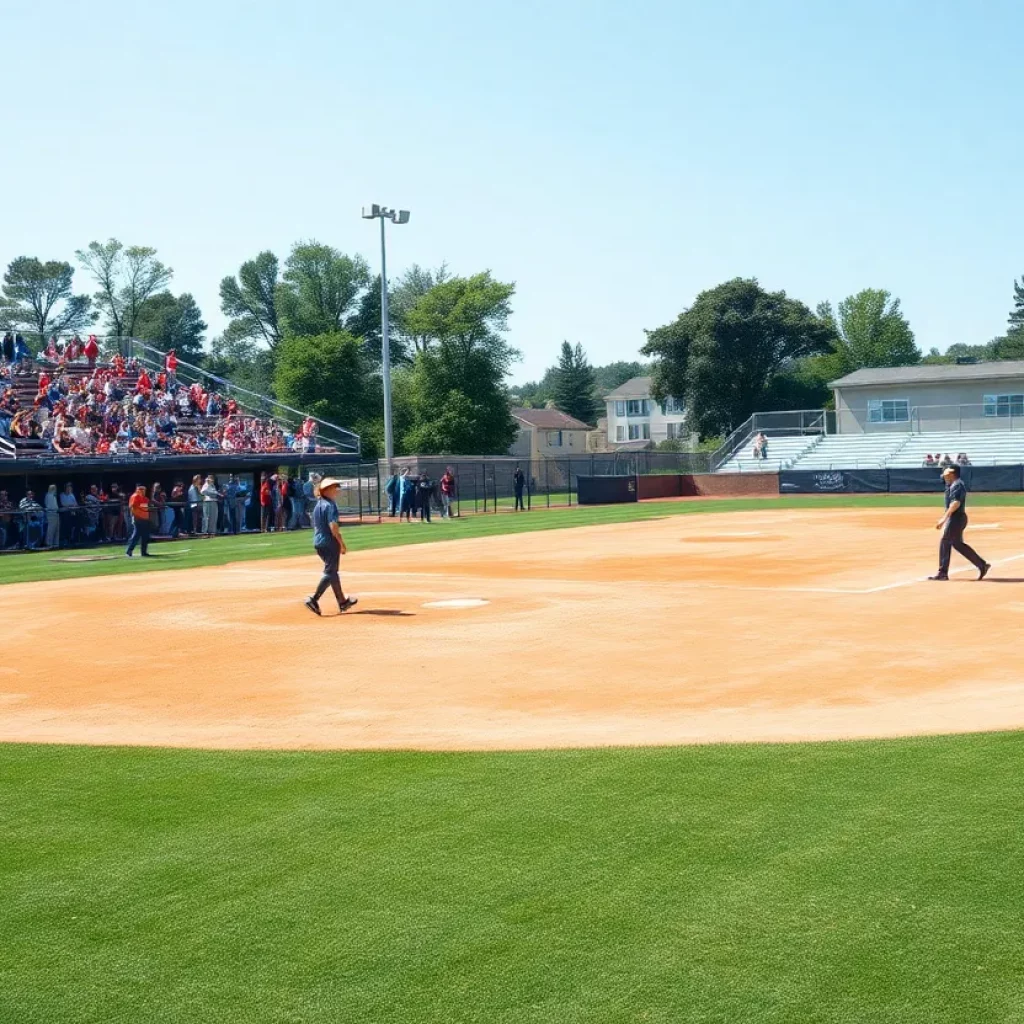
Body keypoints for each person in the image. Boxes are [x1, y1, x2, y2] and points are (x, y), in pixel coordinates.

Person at [304, 477, 358, 617]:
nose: (337, 490)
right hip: (329, 542)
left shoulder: (318, 505)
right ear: (326, 490)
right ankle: (313, 599)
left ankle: (342, 601)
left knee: (332, 572)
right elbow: (333, 527)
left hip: (318, 542)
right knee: (330, 572)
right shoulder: (330, 505)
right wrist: (341, 543)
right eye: (334, 487)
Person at [930, 465, 990, 582]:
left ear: (952, 473)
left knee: (945, 541)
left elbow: (956, 503)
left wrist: (944, 518)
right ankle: (982, 565)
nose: (944, 475)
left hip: (956, 518)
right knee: (957, 544)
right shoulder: (952, 484)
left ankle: (942, 573)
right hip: (957, 518)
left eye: (947, 473)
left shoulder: (958, 485)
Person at [125, 484, 152, 557]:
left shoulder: (145, 498)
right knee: (136, 535)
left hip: (145, 519)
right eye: (141, 489)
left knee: (145, 536)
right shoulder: (135, 497)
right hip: (138, 519)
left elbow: (146, 507)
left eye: (144, 489)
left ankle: (144, 552)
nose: (143, 491)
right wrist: (134, 516)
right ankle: (129, 551)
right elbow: (132, 507)